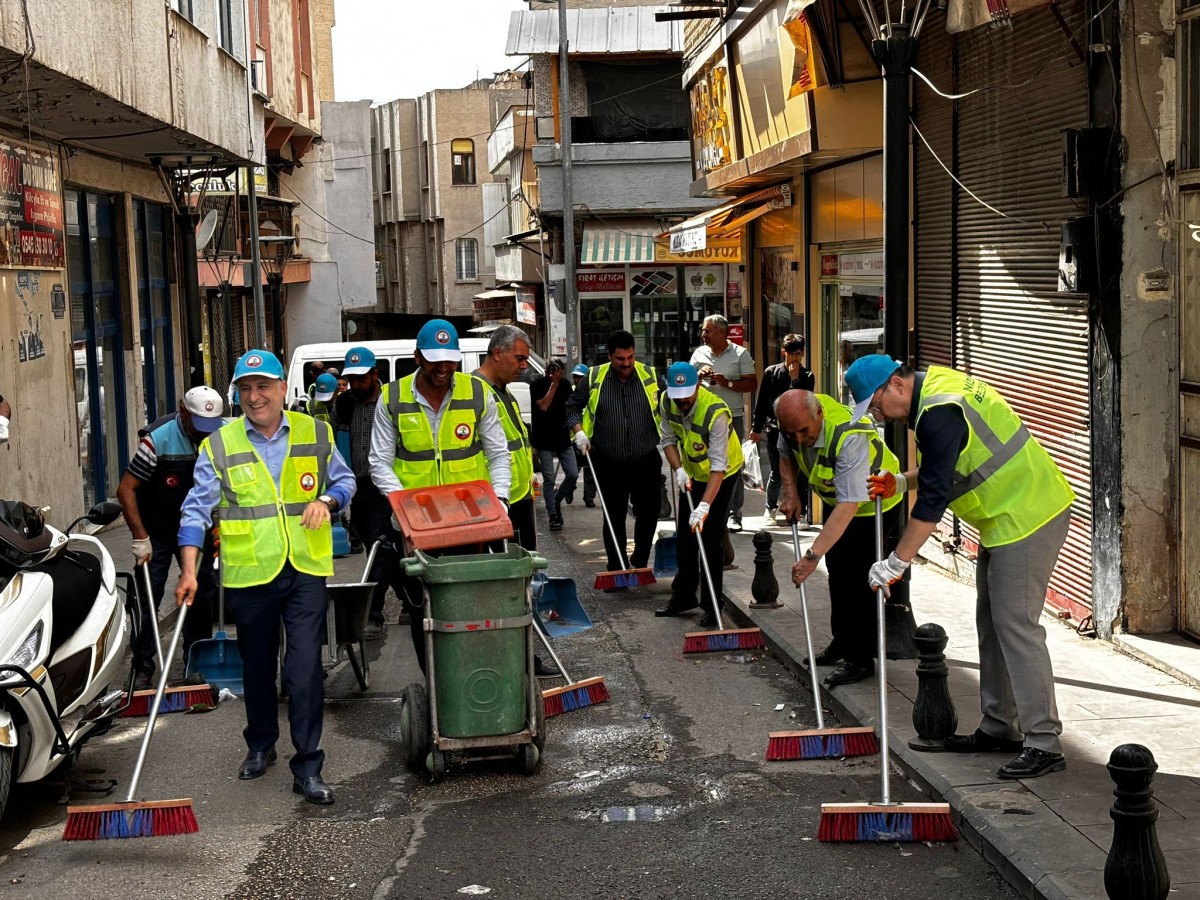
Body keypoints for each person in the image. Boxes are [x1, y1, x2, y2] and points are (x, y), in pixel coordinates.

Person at [845, 355, 1074, 779]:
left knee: (1016, 627)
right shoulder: (936, 388)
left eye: (875, 404)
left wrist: (896, 562)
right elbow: (942, 468)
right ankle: (1000, 726)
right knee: (991, 623)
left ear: (895, 384)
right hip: (1007, 514)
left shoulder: (938, 412)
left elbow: (931, 505)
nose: (877, 414)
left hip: (1028, 513)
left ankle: (1044, 742)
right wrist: (900, 481)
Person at [176, 349, 356, 805]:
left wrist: (329, 502)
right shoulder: (218, 444)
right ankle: (260, 744)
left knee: (303, 670)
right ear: (237, 394)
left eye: (264, 387)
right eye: (246, 389)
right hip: (250, 571)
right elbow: (195, 511)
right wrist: (190, 570)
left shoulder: (316, 433)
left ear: (282, 389)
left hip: (304, 569)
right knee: (257, 669)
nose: (255, 397)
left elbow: (346, 480)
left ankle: (309, 765)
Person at [369, 319, 510, 672]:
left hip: (472, 524)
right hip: (418, 527)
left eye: (450, 360)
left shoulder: (477, 394)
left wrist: (501, 500)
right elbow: (379, 463)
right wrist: (404, 510)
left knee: (475, 604)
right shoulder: (392, 397)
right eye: (435, 360)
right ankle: (437, 688)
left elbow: (498, 454)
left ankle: (475, 674)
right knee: (423, 610)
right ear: (418, 357)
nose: (443, 368)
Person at [775, 390, 904, 687]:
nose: (798, 438)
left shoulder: (849, 435)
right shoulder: (791, 420)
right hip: (840, 495)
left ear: (818, 414)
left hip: (874, 503)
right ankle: (843, 641)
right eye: (790, 432)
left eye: (804, 431)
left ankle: (860, 659)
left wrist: (811, 556)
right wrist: (791, 492)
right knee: (838, 571)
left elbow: (849, 506)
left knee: (860, 577)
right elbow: (785, 452)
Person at [116, 387, 225, 689]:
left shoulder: (221, 434)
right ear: (183, 410)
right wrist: (140, 536)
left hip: (197, 526)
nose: (204, 434)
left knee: (202, 591)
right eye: (198, 425)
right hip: (158, 529)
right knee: (150, 593)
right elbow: (125, 490)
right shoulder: (156, 441)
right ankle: (143, 664)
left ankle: (196, 656)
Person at [565, 330, 661, 585]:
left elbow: (669, 405)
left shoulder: (649, 375)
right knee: (613, 514)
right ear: (609, 356)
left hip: (645, 457)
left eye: (630, 357)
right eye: (620, 359)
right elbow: (571, 406)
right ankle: (617, 568)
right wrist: (579, 432)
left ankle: (639, 562)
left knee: (649, 512)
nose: (626, 364)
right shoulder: (594, 377)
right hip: (608, 460)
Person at [655, 362, 742, 628]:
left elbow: (718, 466)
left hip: (723, 474)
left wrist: (704, 506)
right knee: (686, 536)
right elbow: (668, 440)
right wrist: (679, 469)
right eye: (677, 397)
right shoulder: (667, 401)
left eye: (686, 397)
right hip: (691, 473)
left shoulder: (715, 413)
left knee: (710, 537)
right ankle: (683, 597)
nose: (681, 402)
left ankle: (712, 606)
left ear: (696, 389)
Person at [331, 346, 405, 641]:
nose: (355, 386)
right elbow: (336, 443)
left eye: (361, 379)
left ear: (376, 375)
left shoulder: (391, 401)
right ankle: (409, 595)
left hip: (385, 487)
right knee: (382, 550)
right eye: (351, 380)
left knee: (379, 547)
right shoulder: (345, 403)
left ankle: (372, 615)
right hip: (357, 486)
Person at [690, 315, 757, 531]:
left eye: (707, 331)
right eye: (703, 330)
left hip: (731, 418)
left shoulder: (740, 354)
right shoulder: (699, 354)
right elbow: (688, 381)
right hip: (702, 418)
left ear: (721, 333)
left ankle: (733, 514)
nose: (703, 335)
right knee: (704, 464)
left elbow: (751, 384)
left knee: (732, 467)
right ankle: (706, 506)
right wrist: (698, 376)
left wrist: (726, 382)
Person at [473, 325, 537, 549]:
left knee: (525, 567)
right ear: (497, 354)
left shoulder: (505, 391)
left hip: (518, 496)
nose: (524, 365)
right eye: (519, 358)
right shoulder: (475, 393)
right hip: (497, 502)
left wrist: (528, 474)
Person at [750, 334, 815, 524]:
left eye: (798, 354)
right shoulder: (772, 373)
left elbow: (804, 402)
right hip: (775, 429)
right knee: (777, 471)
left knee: (801, 472)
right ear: (783, 353)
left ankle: (801, 512)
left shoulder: (807, 376)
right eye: (791, 354)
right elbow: (761, 403)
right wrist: (756, 428)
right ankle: (770, 508)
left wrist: (795, 381)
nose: (794, 358)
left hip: (799, 432)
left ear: (803, 353)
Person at [530, 359, 578, 531]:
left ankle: (556, 499)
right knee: (549, 479)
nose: (554, 373)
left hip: (562, 437)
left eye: (558, 370)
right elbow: (543, 405)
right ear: (546, 370)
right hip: (544, 439)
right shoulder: (536, 385)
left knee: (572, 474)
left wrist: (577, 431)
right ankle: (553, 515)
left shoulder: (565, 385)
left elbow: (570, 408)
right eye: (552, 370)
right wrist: (554, 384)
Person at [570, 364, 595, 507]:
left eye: (580, 377)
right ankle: (569, 488)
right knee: (574, 469)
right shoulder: (573, 393)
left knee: (589, 469)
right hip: (575, 437)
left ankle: (589, 497)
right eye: (575, 377)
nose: (576, 380)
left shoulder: (592, 393)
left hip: (589, 436)